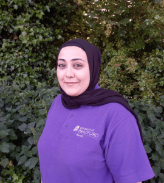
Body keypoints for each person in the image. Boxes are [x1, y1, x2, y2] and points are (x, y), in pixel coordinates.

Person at [38, 39, 155, 183]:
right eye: (62, 65)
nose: (68, 74)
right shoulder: (58, 103)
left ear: (93, 68)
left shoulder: (116, 115)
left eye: (78, 65)